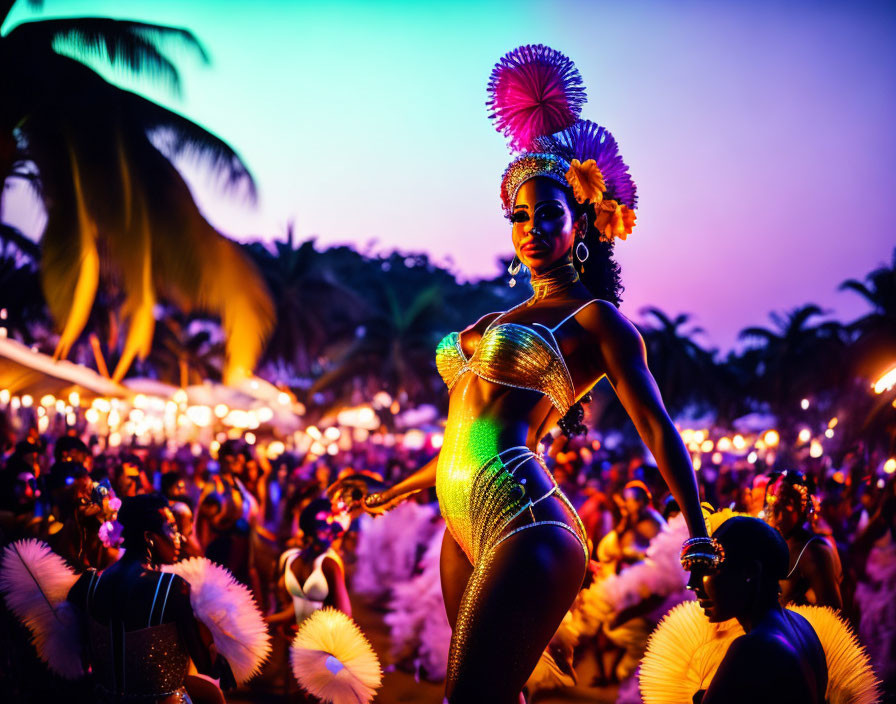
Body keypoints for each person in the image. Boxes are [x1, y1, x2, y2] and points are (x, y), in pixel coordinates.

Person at [331, 45, 709, 702]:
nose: (530, 228)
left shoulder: (597, 323)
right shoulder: (494, 315)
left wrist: (698, 534)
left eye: (547, 214)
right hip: (462, 523)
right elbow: (465, 435)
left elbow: (656, 426)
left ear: (581, 224)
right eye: (519, 216)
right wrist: (390, 492)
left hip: (526, 521)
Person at [66, 493, 233, 703]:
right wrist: (221, 648)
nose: (179, 537)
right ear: (149, 537)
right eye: (171, 528)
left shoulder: (88, 583)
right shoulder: (172, 588)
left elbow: (74, 651)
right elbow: (205, 666)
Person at [687, 516, 827, 704]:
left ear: (750, 572)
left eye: (710, 568)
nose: (693, 584)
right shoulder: (802, 625)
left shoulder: (752, 647)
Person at [764, 470, 844, 609]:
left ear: (801, 507)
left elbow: (833, 614)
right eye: (770, 501)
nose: (772, 510)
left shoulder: (814, 552)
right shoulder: (776, 545)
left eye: (783, 501)